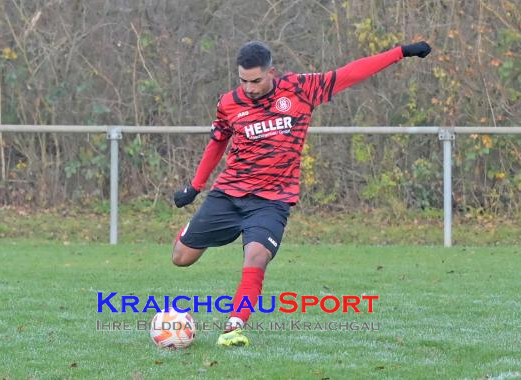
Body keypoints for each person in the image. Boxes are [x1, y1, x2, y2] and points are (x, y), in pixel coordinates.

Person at [172, 40, 431, 346]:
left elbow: (350, 73)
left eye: (256, 81)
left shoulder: (300, 90)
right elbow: (218, 141)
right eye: (243, 80)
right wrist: (196, 186)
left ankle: (234, 326)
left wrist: (401, 52)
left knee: (256, 256)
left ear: (272, 72)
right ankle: (205, 228)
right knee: (181, 258)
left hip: (272, 200)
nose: (249, 88)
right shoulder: (229, 103)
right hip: (229, 194)